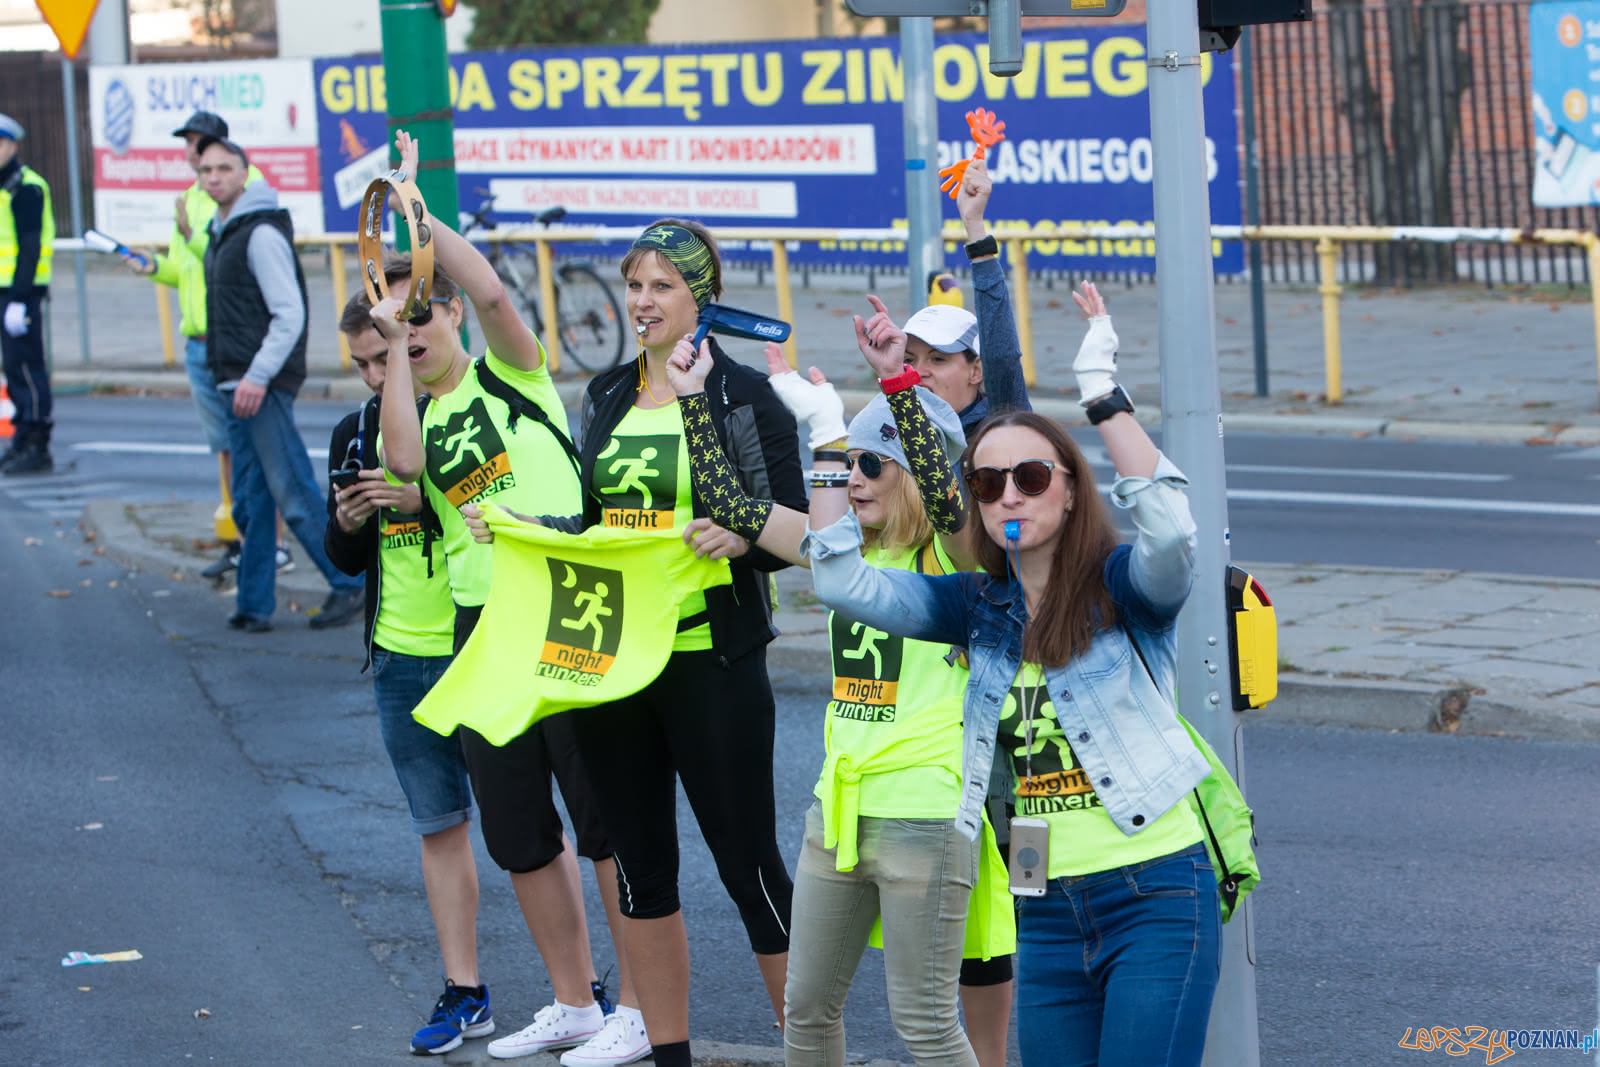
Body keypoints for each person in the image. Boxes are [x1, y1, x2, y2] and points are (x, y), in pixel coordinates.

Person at [804, 282, 1222, 1066]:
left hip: (1154, 890)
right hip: (1050, 904)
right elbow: (840, 583)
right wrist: (829, 447)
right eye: (988, 483)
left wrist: (1102, 395)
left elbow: (1173, 534)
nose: (1007, 495)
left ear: (1069, 488)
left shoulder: (1120, 588)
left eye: (1030, 477)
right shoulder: (973, 605)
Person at [472, 216, 806, 1067]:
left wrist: (742, 537)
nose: (642, 301)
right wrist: (523, 525)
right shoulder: (611, 393)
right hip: (614, 667)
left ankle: (811, 1046)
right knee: (637, 872)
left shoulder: (742, 397)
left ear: (702, 296)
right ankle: (669, 1056)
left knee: (749, 866)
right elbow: (596, 525)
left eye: (662, 285)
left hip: (710, 662)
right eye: (635, 284)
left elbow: (793, 531)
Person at [656, 328, 1015, 1067]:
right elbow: (732, 502)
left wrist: (895, 389)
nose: (854, 479)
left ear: (912, 471)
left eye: (872, 464)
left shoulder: (956, 554)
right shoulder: (845, 552)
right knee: (807, 1011)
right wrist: (695, 401)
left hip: (924, 809)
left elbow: (950, 494)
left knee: (923, 1022)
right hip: (838, 815)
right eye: (848, 464)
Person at [375, 131, 644, 1067]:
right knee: (520, 830)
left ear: (449, 311)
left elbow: (491, 292)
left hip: (565, 601)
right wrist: (398, 348)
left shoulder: (512, 370)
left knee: (605, 818)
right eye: (399, 332)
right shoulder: (421, 402)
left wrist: (420, 218)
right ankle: (574, 1001)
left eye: (425, 319)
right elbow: (403, 461)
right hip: (477, 625)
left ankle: (641, 1004)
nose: (414, 334)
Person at [323, 283, 491, 1056]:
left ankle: (579, 985)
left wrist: (422, 501)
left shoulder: (462, 411)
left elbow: (501, 514)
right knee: (438, 825)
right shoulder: (354, 430)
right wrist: (349, 520)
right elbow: (344, 558)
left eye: (382, 353)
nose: (374, 373)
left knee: (534, 825)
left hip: (479, 641)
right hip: (398, 652)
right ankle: (465, 988)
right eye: (361, 362)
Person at [197, 136, 363, 632]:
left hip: (256, 383)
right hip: (238, 382)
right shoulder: (221, 229)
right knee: (252, 496)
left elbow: (288, 315)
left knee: (290, 488)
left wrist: (257, 376)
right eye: (205, 170)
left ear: (244, 175)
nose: (213, 177)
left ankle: (349, 582)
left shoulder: (259, 233)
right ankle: (253, 604)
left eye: (224, 168)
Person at [120, 111, 282, 579]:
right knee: (226, 449)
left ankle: (273, 544)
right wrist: (153, 266)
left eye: (202, 142)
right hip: (199, 342)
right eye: (189, 143)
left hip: (233, 342)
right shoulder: (188, 199)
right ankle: (241, 540)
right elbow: (184, 269)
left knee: (257, 448)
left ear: (226, 151)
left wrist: (192, 240)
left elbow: (222, 256)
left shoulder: (245, 191)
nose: (193, 152)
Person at [900, 155, 1030, 443]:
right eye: (909, 359)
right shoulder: (894, 437)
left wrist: (974, 226)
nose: (919, 372)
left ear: (977, 371)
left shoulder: (1002, 426)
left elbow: (1002, 356)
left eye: (938, 358)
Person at [0, 113, 54, 476]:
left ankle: (36, 442)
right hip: (7, 292)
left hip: (22, 294)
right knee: (13, 368)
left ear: (11, 145)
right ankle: (21, 438)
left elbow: (30, 246)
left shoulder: (26, 187)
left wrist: (19, 299)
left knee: (27, 367)